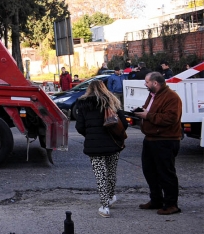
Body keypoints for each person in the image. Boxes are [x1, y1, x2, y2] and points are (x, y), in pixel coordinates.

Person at [75, 80, 128, 218]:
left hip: (94, 146)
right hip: (113, 144)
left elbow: (79, 127)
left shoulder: (83, 105)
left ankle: (105, 206)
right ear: (104, 89)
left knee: (100, 175)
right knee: (111, 172)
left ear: (89, 90)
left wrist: (91, 134)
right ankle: (111, 197)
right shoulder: (112, 102)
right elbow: (124, 123)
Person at [134, 72, 182, 215]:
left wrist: (147, 115)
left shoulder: (172, 97)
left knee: (166, 173)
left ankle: (171, 204)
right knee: (150, 172)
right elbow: (150, 111)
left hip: (166, 140)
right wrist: (140, 112)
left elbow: (170, 118)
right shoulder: (153, 95)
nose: (145, 84)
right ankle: (156, 200)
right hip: (151, 139)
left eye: (147, 82)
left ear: (155, 83)